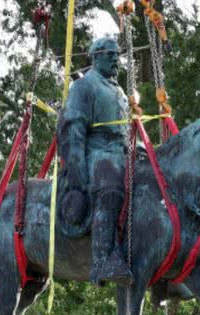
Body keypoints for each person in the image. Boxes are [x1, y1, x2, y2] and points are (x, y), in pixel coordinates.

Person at [57, 37, 133, 286]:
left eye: (117, 55)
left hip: (121, 150)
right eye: (110, 55)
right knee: (110, 187)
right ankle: (102, 260)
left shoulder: (119, 91)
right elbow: (74, 129)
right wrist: (76, 170)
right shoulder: (84, 86)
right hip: (96, 152)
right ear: (96, 56)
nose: (116, 59)